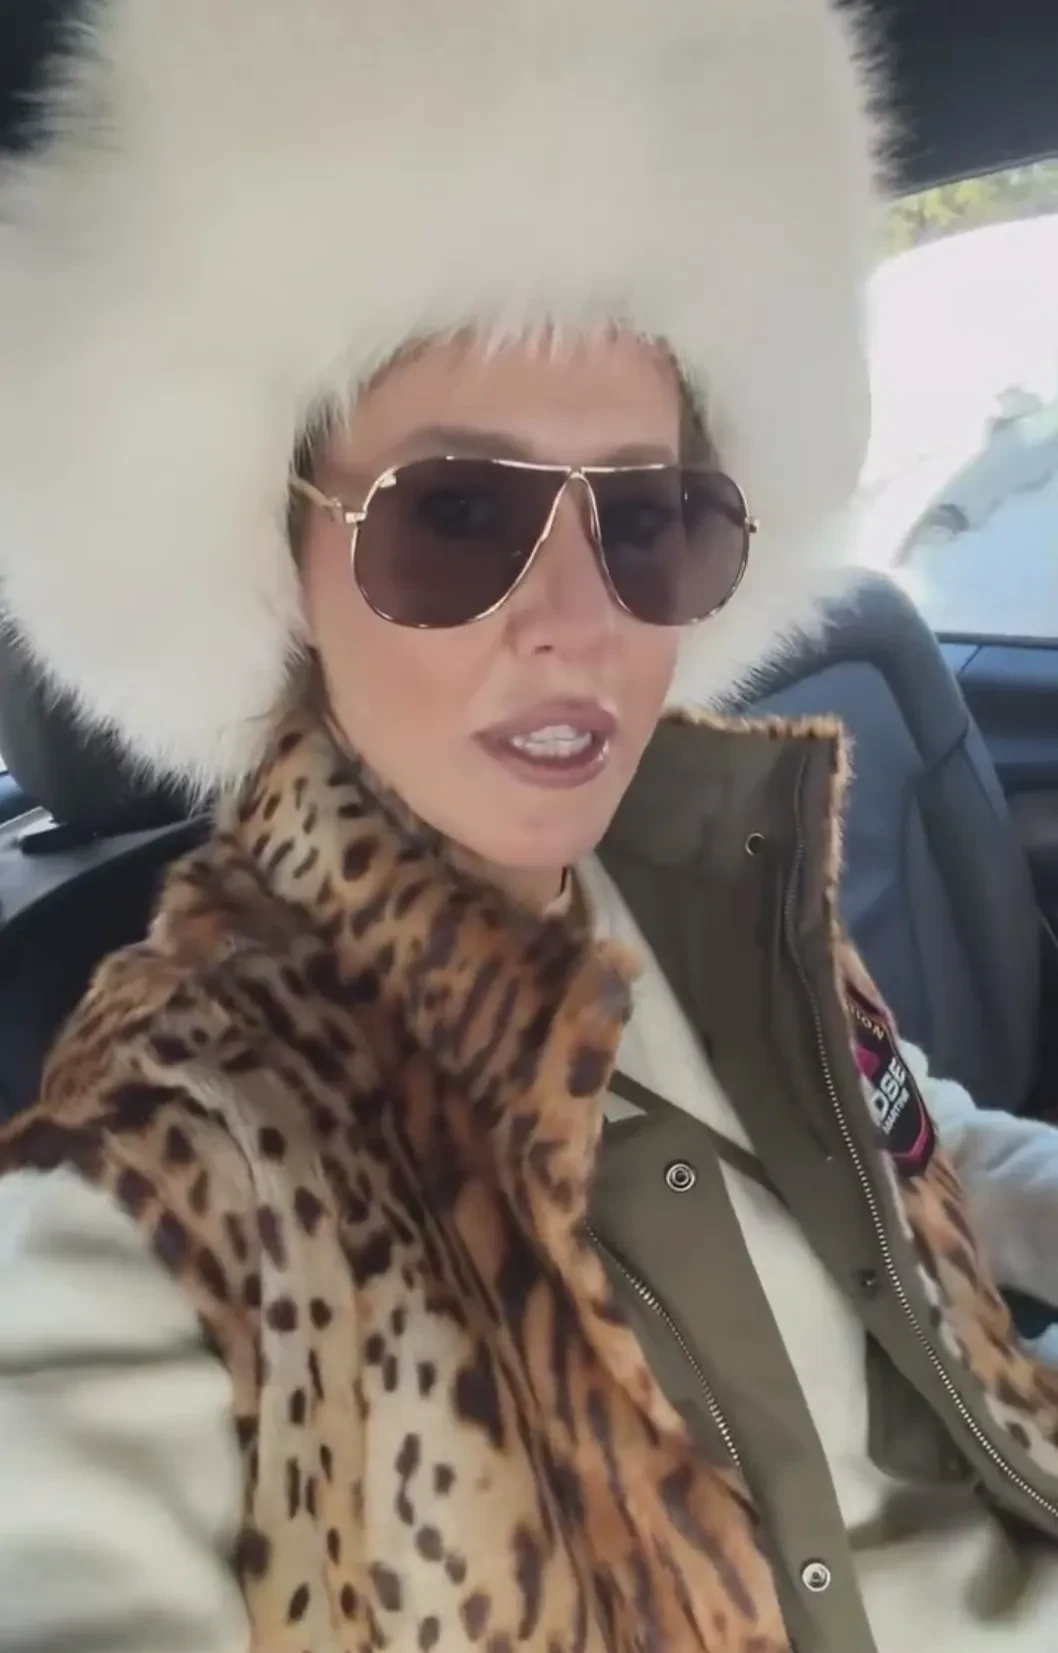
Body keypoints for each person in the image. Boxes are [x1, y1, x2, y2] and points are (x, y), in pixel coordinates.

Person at [3, 2, 1058, 1651]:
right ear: (277, 561)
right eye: (454, 515)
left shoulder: (708, 886)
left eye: (647, 518)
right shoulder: (175, 1153)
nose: (577, 621)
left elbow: (917, 1139)